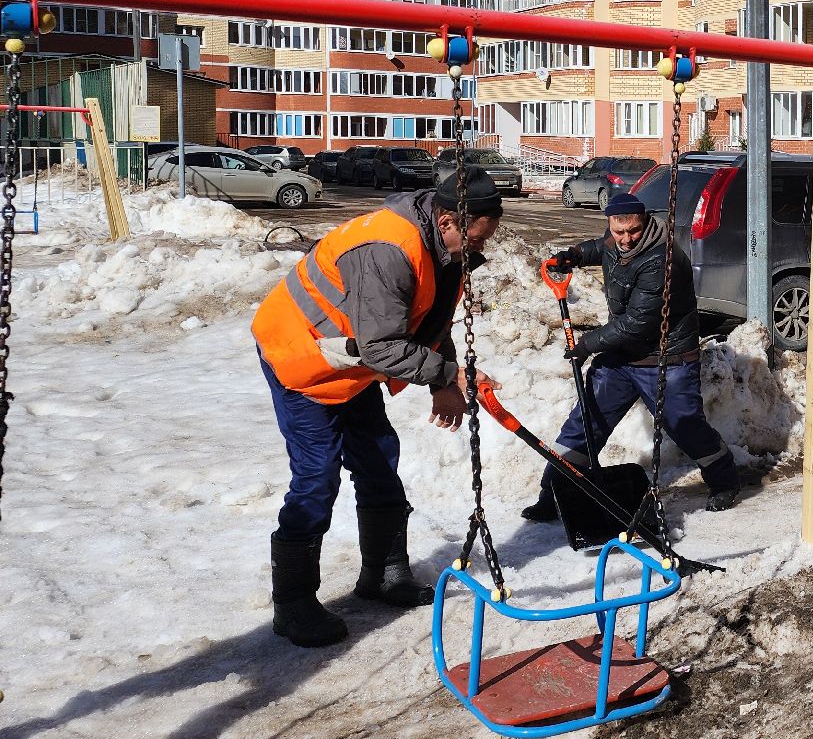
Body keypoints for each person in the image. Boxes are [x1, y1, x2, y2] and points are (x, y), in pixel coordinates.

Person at [251, 167, 502, 648]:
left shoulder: (436, 238)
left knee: (379, 456)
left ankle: (384, 573)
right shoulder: (388, 251)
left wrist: (441, 381)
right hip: (300, 356)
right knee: (316, 476)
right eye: (475, 240)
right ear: (448, 219)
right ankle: (293, 602)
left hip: (350, 360)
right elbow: (383, 348)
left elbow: (425, 316)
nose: (478, 251)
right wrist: (450, 375)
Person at [522, 192, 740, 522]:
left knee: (685, 427)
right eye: (619, 231)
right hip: (623, 358)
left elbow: (638, 323)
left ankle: (724, 480)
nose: (625, 239)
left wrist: (586, 345)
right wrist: (575, 255)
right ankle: (552, 493)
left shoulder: (661, 260)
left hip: (666, 358)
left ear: (645, 223)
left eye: (633, 232)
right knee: (585, 422)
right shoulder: (616, 240)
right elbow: (603, 247)